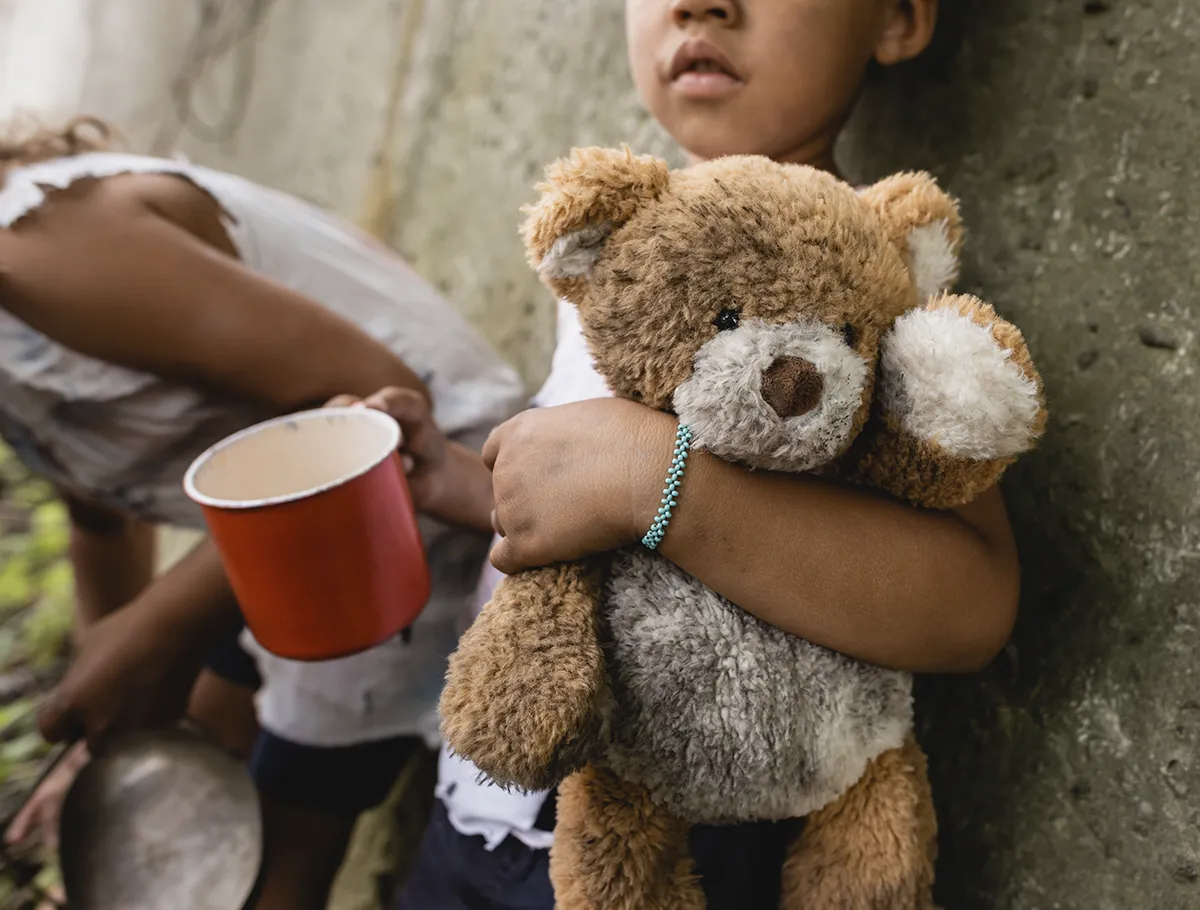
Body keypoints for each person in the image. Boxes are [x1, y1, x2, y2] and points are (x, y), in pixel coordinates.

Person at [394, 0, 1017, 908]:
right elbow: (582, 503)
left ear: (896, 20)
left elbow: (975, 604)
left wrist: (659, 482)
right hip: (479, 816)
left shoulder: (882, 310)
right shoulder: (614, 259)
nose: (699, 3)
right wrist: (454, 482)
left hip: (687, 848)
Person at [0, 117, 527, 910]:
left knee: (263, 873)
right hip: (284, 528)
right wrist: (110, 731)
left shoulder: (34, 251)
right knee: (182, 798)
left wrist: (160, 630)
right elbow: (99, 518)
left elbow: (365, 402)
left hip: (422, 486)